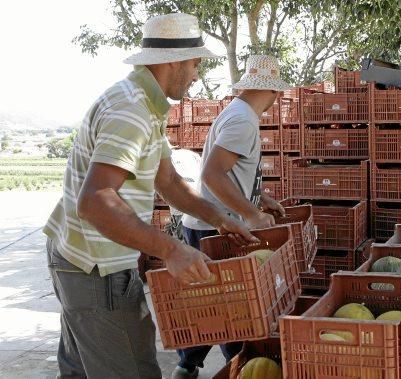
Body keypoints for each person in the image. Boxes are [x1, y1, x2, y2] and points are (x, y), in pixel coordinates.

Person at [43, 13, 258, 378]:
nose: (196, 73)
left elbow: (170, 183)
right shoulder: (132, 111)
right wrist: (171, 249)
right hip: (96, 265)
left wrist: (222, 219)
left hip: (78, 254)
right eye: (194, 63)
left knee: (82, 369)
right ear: (173, 61)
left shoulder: (145, 104)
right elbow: (95, 200)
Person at [173, 55, 291, 378]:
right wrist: (250, 213)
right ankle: (236, 366)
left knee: (216, 304)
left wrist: (259, 198)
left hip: (210, 223)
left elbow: (231, 172)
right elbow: (212, 174)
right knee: (234, 312)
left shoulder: (238, 113)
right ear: (272, 91)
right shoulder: (243, 121)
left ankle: (188, 366)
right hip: (216, 228)